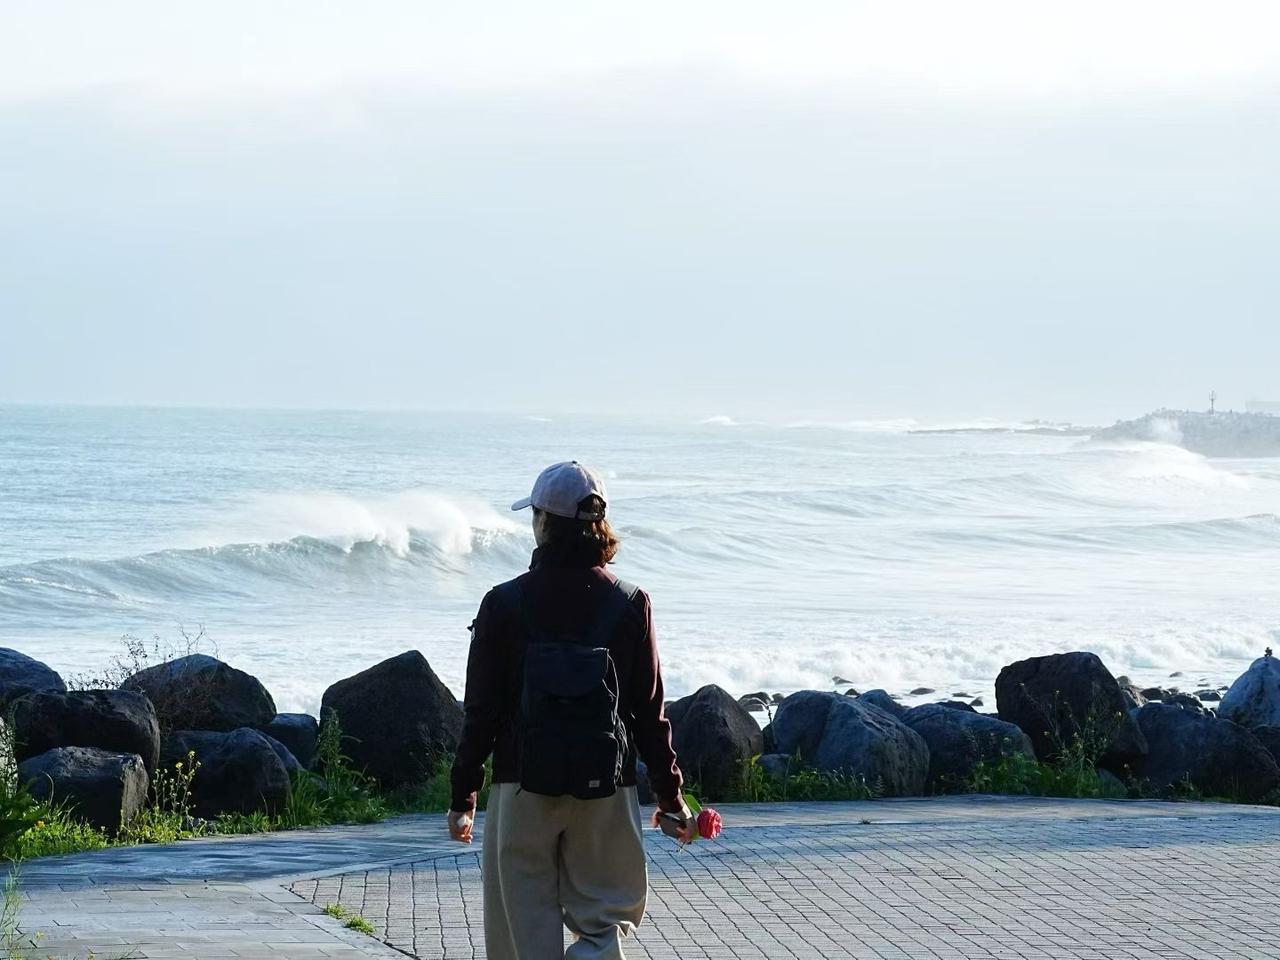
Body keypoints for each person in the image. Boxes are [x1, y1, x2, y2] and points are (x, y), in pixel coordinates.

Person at [448, 460, 693, 960]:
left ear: (543, 522)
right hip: (606, 787)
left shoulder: (502, 603)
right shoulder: (629, 602)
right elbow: (649, 713)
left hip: (522, 786)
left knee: (522, 933)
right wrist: (670, 798)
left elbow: (482, 712)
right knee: (605, 920)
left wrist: (464, 795)